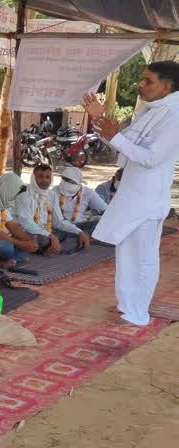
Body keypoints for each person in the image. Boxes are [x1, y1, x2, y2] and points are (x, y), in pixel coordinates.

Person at [82, 60, 179, 325]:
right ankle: (127, 307)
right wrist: (99, 120)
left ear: (166, 86)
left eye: (148, 80)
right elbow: (122, 144)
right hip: (132, 194)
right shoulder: (152, 110)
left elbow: (151, 158)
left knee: (144, 258)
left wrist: (115, 137)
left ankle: (138, 313)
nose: (140, 84)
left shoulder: (176, 114)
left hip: (148, 199)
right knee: (127, 254)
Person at [11, 164, 91, 255]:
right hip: (26, 232)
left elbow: (59, 222)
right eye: (40, 177)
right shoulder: (24, 194)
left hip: (47, 231)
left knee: (80, 234)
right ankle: (55, 247)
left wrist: (79, 232)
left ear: (51, 178)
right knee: (42, 240)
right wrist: (50, 236)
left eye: (47, 177)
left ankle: (52, 248)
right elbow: (27, 223)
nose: (44, 180)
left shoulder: (52, 195)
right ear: (33, 178)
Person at [53, 166, 108, 232]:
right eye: (64, 179)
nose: (66, 182)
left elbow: (105, 210)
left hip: (80, 226)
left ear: (78, 183)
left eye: (70, 181)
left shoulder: (87, 192)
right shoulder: (54, 192)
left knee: (100, 220)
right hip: (58, 227)